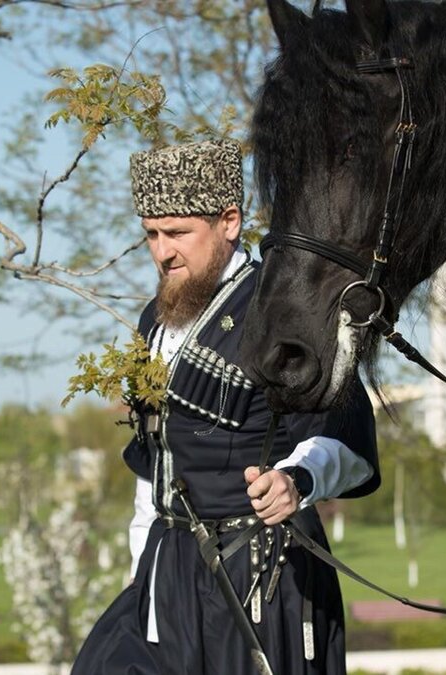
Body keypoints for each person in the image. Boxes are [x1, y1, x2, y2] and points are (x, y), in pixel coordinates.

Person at [72, 139, 380, 675]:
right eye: (151, 234)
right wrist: (140, 567)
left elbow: (345, 437)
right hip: (168, 571)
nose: (162, 252)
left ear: (230, 222)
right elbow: (153, 462)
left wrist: (297, 480)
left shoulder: (287, 313)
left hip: (261, 574)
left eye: (177, 233)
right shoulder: (154, 321)